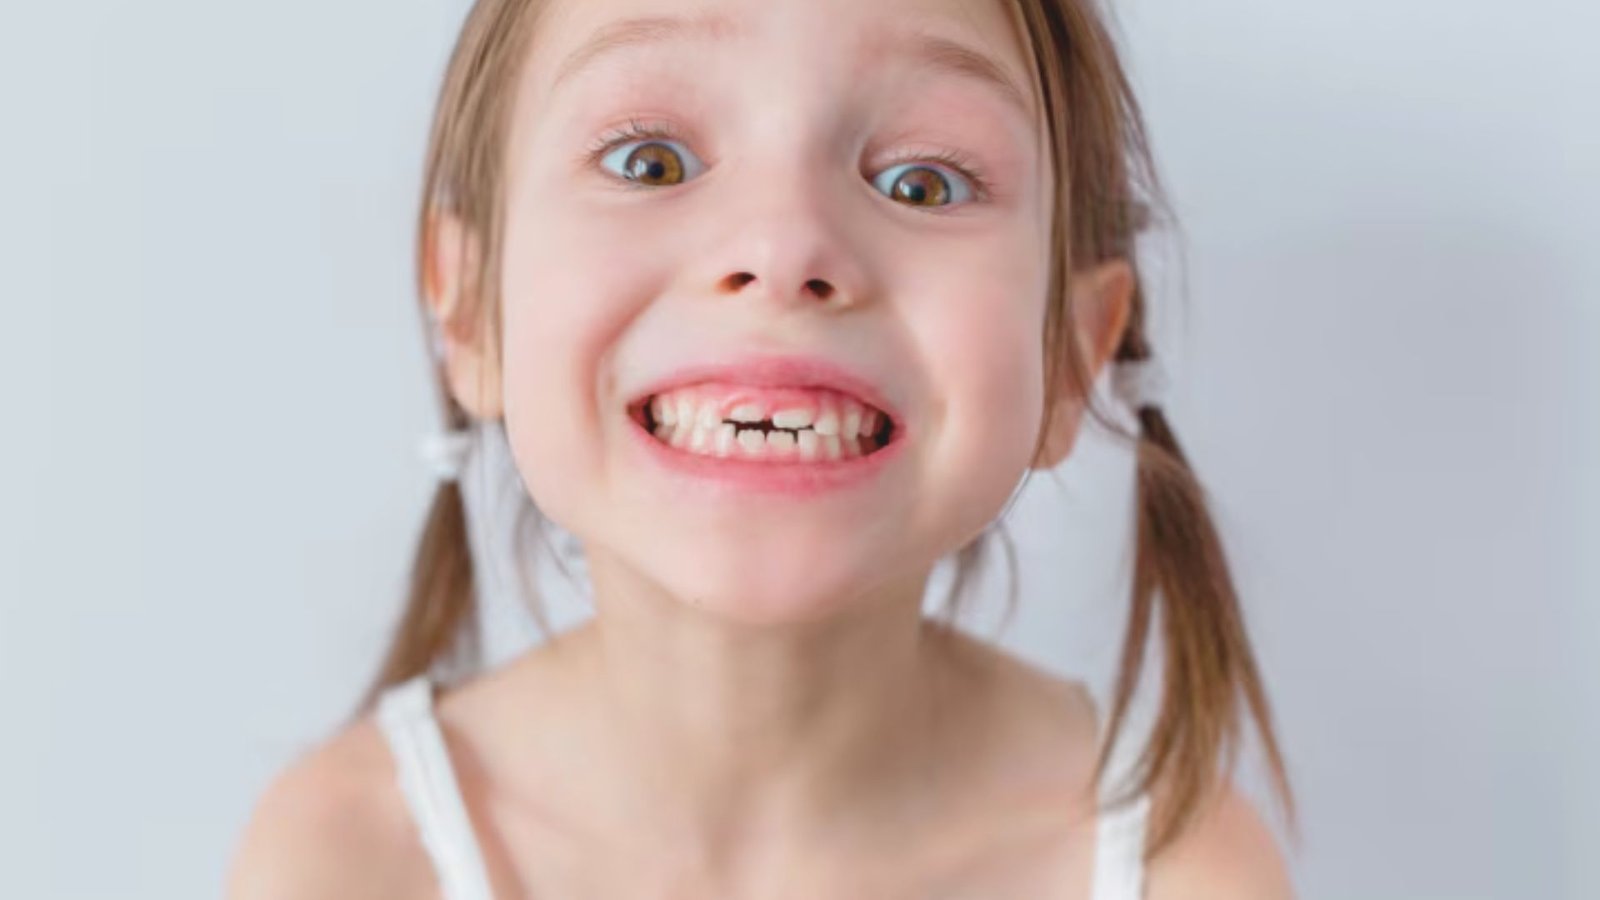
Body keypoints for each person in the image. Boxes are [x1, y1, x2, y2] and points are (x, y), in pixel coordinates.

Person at [226, 0, 1295, 896]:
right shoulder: (348, 860)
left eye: (923, 183)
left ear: (1072, 351)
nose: (783, 249)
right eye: (650, 162)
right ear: (467, 311)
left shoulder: (1181, 871)